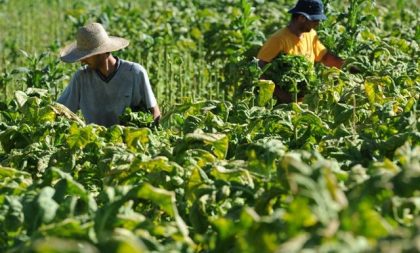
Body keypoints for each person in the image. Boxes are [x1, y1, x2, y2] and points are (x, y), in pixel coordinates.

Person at [58, 22, 161, 127]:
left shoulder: (134, 73)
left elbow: (154, 112)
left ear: (101, 52)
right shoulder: (81, 78)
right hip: (95, 141)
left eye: (87, 56)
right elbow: (60, 110)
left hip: (129, 141)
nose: (82, 61)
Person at [257, 0, 345, 103]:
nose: (318, 23)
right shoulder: (278, 39)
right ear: (302, 18)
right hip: (279, 104)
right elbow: (259, 70)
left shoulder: (311, 35)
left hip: (304, 102)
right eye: (315, 19)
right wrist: (283, 96)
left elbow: (324, 57)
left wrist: (349, 67)